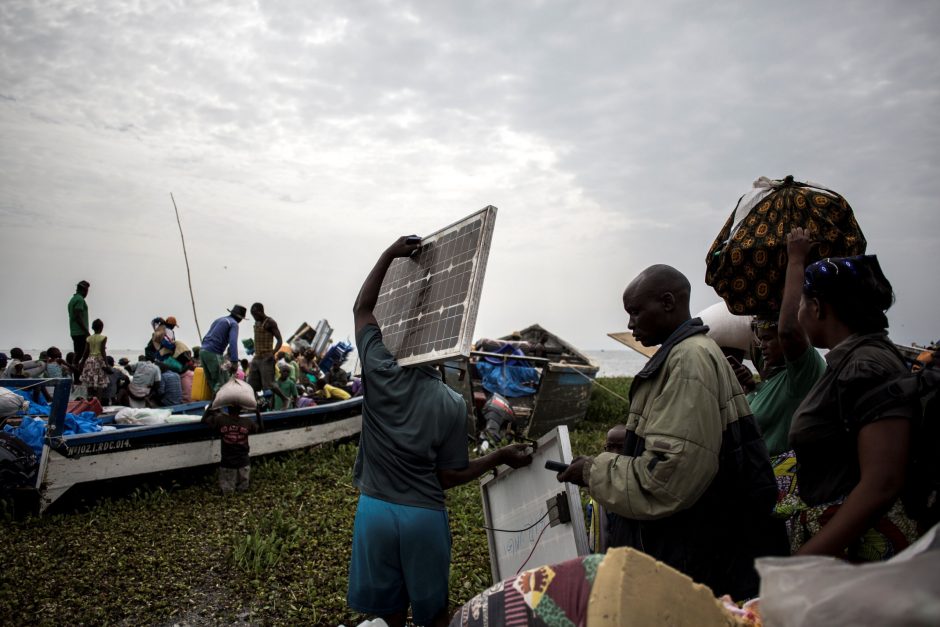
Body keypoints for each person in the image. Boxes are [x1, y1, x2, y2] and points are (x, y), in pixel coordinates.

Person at [556, 264, 779, 599]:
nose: (631, 325)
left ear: (668, 302)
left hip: (694, 553)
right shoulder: (691, 353)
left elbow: (666, 477)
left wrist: (593, 470)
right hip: (704, 546)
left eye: (635, 312)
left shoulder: (688, 362)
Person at [348, 235, 534, 627]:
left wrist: (389, 253)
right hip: (423, 518)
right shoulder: (452, 403)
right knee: (432, 617)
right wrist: (499, 455)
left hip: (375, 511)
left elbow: (363, 308)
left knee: (388, 615)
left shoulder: (380, 369)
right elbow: (450, 475)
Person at [782, 227, 922, 559]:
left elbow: (882, 483)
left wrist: (809, 558)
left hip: (859, 554)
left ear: (817, 308)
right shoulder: (852, 360)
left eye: (802, 303)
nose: (800, 313)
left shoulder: (866, 367)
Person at [744, 256, 826, 456]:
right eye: (760, 340)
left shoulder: (803, 372)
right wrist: (748, 388)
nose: (762, 346)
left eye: (769, 339)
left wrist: (796, 260)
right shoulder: (770, 381)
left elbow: (788, 330)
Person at [201, 403, 264, 495]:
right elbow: (261, 429)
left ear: (228, 409)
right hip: (244, 464)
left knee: (227, 494)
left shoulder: (220, 420)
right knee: (243, 493)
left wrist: (212, 404)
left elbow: (203, 420)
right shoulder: (247, 422)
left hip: (227, 464)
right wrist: (257, 412)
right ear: (240, 410)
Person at [586, 425, 625, 553]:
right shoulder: (598, 488)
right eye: (610, 447)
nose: (614, 453)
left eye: (621, 447)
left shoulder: (632, 490)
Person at [200, 305, 246, 395]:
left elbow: (206, 337)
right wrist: (235, 361)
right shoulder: (233, 324)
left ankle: (215, 407)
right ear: (240, 318)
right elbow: (233, 342)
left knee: (213, 383)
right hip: (214, 352)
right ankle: (219, 407)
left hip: (203, 352)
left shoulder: (219, 320)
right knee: (222, 384)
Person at [79, 319, 110, 402]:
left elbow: (86, 352)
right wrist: (106, 364)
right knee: (99, 384)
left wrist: (81, 362)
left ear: (93, 328)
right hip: (98, 361)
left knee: (90, 383)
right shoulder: (103, 338)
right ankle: (98, 404)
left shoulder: (89, 338)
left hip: (89, 361)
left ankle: (89, 403)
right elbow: (103, 351)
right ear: (102, 327)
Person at [67, 280, 91, 382]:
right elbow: (77, 316)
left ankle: (76, 377)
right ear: (84, 290)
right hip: (80, 332)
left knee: (78, 354)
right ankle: (77, 378)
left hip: (74, 331)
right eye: (87, 290)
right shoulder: (80, 300)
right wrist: (86, 331)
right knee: (82, 355)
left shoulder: (73, 299)